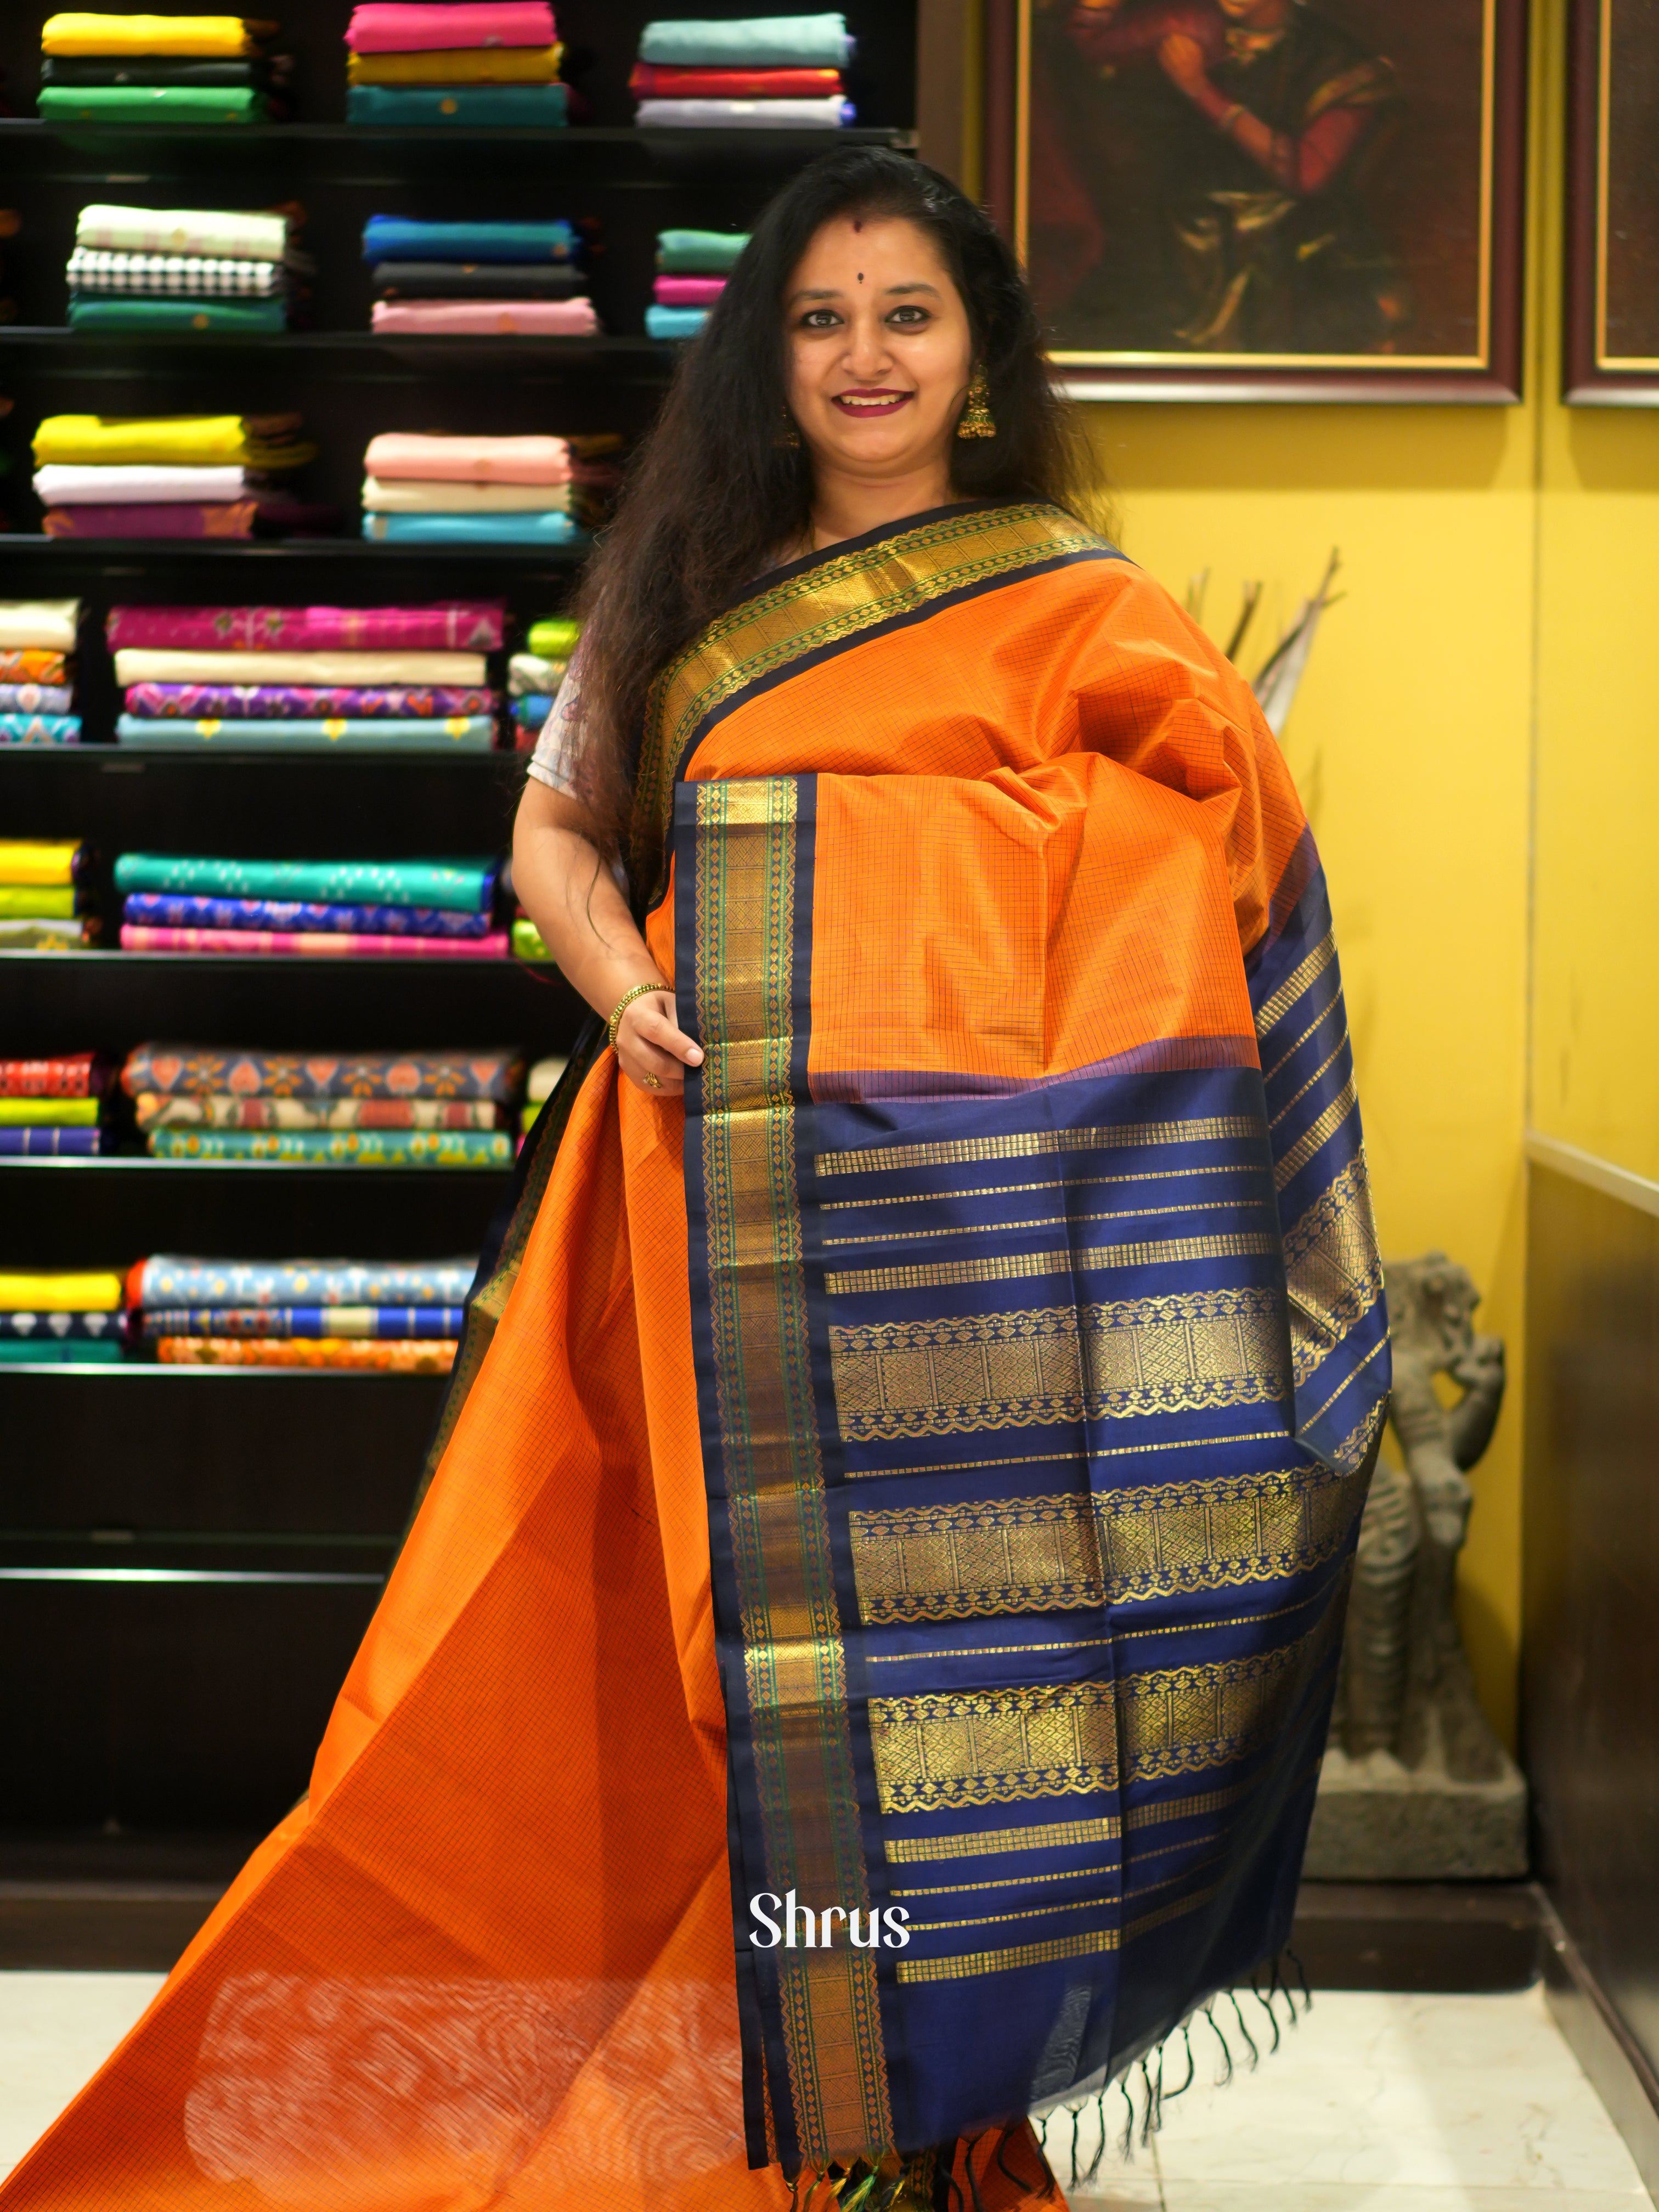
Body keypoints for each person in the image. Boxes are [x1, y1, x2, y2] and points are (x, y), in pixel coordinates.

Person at [0, 149, 1387, 2212]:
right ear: (766, 352)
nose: (862, 356)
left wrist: (1021, 868)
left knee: (956, 1684)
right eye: (818, 318)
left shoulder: (1077, 605)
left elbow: (1220, 859)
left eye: (904, 313)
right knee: (697, 1675)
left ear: (978, 350)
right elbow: (549, 842)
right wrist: (641, 975)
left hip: (978, 1264)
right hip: (693, 1220)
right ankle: (742, 2100)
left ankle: (902, 2120)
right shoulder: (683, 588)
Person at [1041, 0, 1405, 352]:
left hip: (1292, 245)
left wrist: (1201, 92)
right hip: (1184, 230)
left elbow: (1305, 174)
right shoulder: (1192, 23)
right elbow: (1088, 45)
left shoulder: (1339, 62)